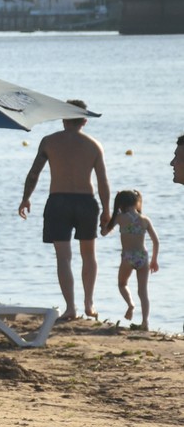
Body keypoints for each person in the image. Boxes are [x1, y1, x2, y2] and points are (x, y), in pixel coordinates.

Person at [19, 101, 109, 322]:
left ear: (63, 117)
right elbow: (103, 182)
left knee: (63, 257)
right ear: (85, 120)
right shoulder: (93, 145)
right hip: (86, 202)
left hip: (58, 201)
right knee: (89, 255)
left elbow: (34, 173)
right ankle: (89, 303)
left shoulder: (49, 141)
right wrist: (107, 211)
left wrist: (26, 198)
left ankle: (71, 308)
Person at [101, 190, 159, 330]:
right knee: (143, 291)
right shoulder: (145, 220)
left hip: (128, 257)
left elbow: (104, 233)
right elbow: (156, 242)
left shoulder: (120, 218)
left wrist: (103, 224)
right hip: (142, 256)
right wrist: (154, 260)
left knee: (122, 284)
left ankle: (131, 305)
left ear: (120, 204)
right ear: (136, 202)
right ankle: (145, 322)